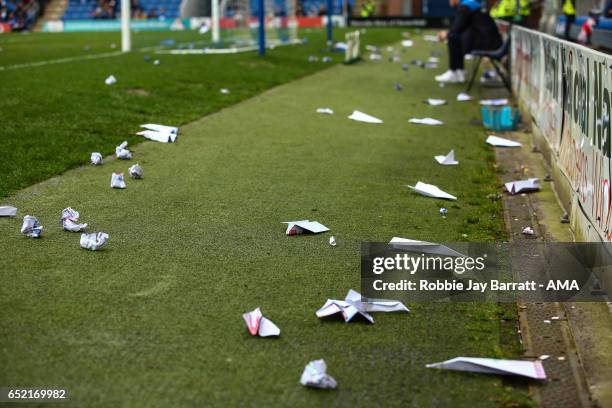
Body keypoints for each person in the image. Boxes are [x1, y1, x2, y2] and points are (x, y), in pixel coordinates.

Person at [435, 0, 503, 83]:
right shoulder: (472, 4)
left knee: (452, 37)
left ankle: (454, 71)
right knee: (454, 37)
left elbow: (457, 27)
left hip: (486, 43)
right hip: (491, 41)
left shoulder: (466, 6)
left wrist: (445, 34)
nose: (449, 1)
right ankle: (458, 71)